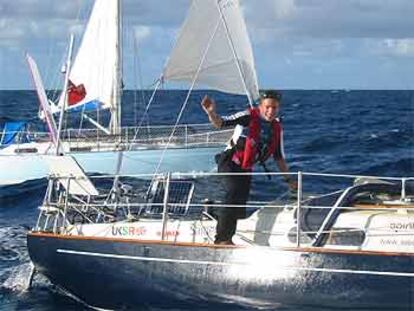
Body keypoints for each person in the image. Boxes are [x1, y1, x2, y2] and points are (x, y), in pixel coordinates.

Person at [201, 90, 297, 245]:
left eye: (275, 108)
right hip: (230, 162)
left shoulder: (276, 128)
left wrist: (289, 180)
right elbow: (220, 122)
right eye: (267, 107)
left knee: (240, 204)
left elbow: (279, 157)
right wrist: (211, 112)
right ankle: (222, 240)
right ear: (260, 106)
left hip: (246, 167)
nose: (270, 111)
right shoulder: (248, 116)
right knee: (233, 192)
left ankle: (224, 226)